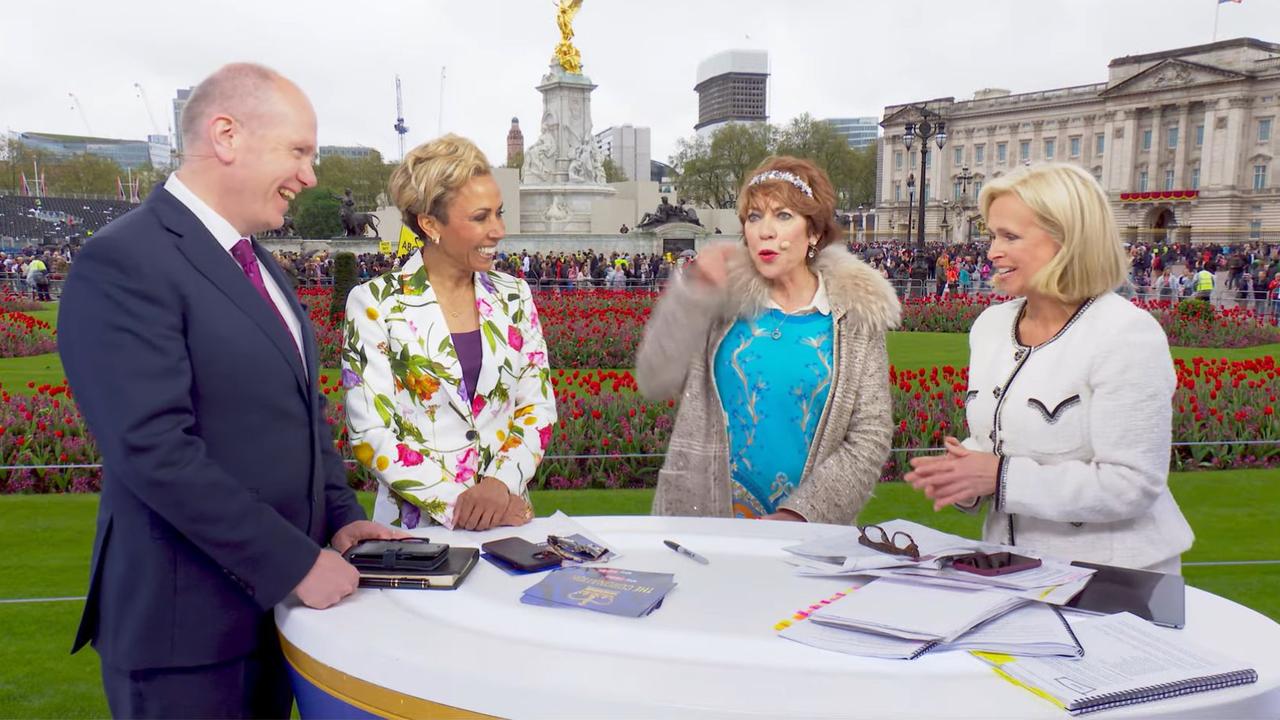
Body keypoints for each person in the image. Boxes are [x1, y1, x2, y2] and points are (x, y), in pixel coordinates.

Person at [57, 64, 402, 718]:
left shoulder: (256, 263)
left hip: (270, 621)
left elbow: (302, 416)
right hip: (184, 640)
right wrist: (295, 564)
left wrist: (343, 517)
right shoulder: (124, 259)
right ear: (226, 136)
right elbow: (155, 452)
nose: (311, 175)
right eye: (299, 151)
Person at [905, 163, 1193, 573]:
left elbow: (1133, 484)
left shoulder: (1125, 333)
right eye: (991, 235)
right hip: (1009, 568)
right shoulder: (990, 326)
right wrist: (963, 471)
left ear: (1066, 240)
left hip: (1113, 581)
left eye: (1010, 236)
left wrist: (998, 477)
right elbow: (999, 445)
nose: (991, 251)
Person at [636, 156, 900, 523]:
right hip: (700, 525)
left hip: (807, 543)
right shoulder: (721, 300)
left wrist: (801, 515)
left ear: (814, 233)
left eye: (784, 215)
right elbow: (654, 377)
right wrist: (692, 292)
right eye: (754, 217)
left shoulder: (855, 317)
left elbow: (869, 435)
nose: (765, 231)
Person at [343, 134, 557, 532]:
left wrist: (499, 485)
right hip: (415, 532)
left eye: (499, 213)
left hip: (508, 522)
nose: (498, 230)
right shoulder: (375, 303)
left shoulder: (515, 295)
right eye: (480, 217)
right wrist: (460, 505)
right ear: (430, 224)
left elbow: (537, 408)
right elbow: (370, 432)